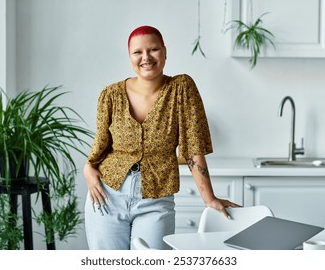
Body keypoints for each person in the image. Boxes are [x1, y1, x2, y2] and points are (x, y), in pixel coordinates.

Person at [83, 25, 240, 250]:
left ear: (165, 52)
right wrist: (88, 169)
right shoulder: (110, 94)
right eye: (138, 52)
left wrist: (209, 198)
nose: (146, 57)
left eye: (153, 49)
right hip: (106, 197)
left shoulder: (181, 88)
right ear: (130, 57)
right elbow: (100, 145)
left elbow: (193, 147)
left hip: (155, 200)